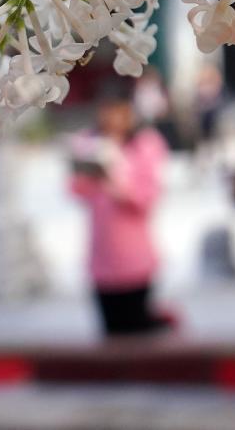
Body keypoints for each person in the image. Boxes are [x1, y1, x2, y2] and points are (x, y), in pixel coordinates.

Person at [69, 81, 171, 336]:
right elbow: (75, 188)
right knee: (110, 332)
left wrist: (116, 178)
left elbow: (147, 197)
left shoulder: (145, 143)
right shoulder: (88, 140)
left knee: (138, 330)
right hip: (102, 255)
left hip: (135, 256)